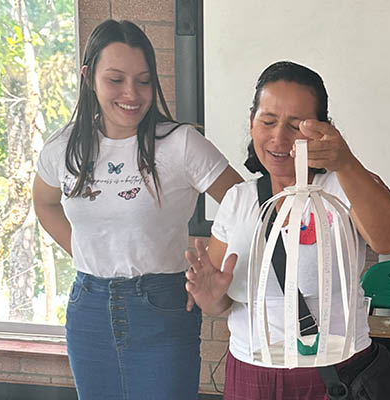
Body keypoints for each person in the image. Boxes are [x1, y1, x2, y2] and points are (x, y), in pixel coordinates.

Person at [33, 20, 242, 399]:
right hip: (88, 307)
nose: (132, 93)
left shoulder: (180, 144)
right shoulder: (63, 148)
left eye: (143, 81)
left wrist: (209, 263)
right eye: (115, 79)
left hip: (161, 305)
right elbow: (45, 203)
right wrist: (82, 250)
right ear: (88, 77)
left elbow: (244, 205)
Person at [183, 61, 390, 399]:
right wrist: (210, 298)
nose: (278, 137)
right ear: (252, 123)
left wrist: (346, 161)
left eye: (295, 125)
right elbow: (221, 303)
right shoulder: (239, 199)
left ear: (322, 130)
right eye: (268, 121)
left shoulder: (343, 186)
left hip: (335, 372)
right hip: (251, 370)